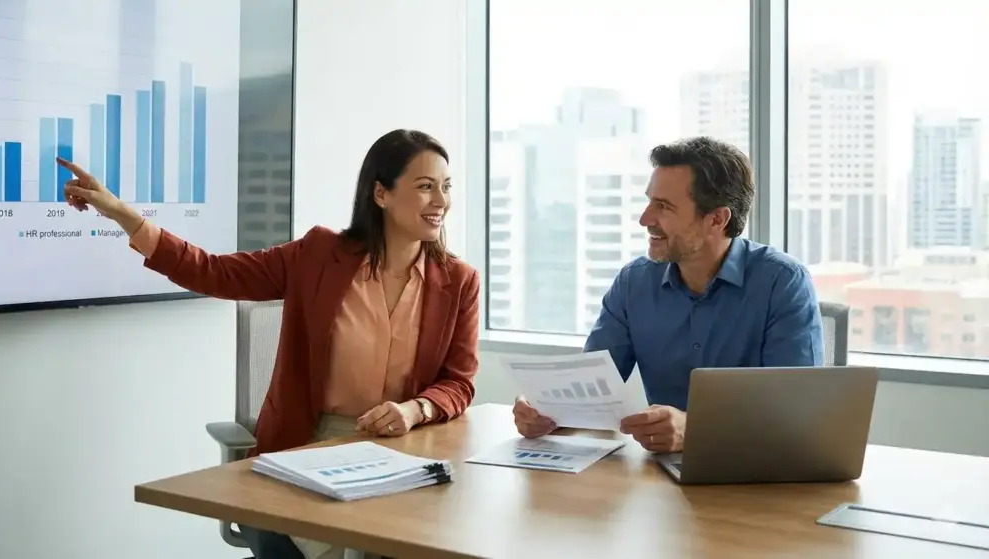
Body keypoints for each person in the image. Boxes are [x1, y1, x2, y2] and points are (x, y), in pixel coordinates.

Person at [57, 129, 479, 559]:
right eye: (425, 187)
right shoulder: (318, 255)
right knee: (356, 548)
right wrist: (122, 214)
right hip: (314, 445)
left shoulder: (459, 282)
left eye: (446, 187)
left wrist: (415, 409)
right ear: (380, 193)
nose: (441, 201)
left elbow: (458, 383)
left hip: (401, 452)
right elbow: (213, 272)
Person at [513, 136, 823, 454]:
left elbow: (796, 417)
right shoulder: (634, 282)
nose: (645, 219)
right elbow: (593, 389)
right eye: (650, 201)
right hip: (660, 477)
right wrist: (545, 410)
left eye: (664, 207)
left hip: (759, 476)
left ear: (717, 219)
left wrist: (696, 430)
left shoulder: (782, 282)